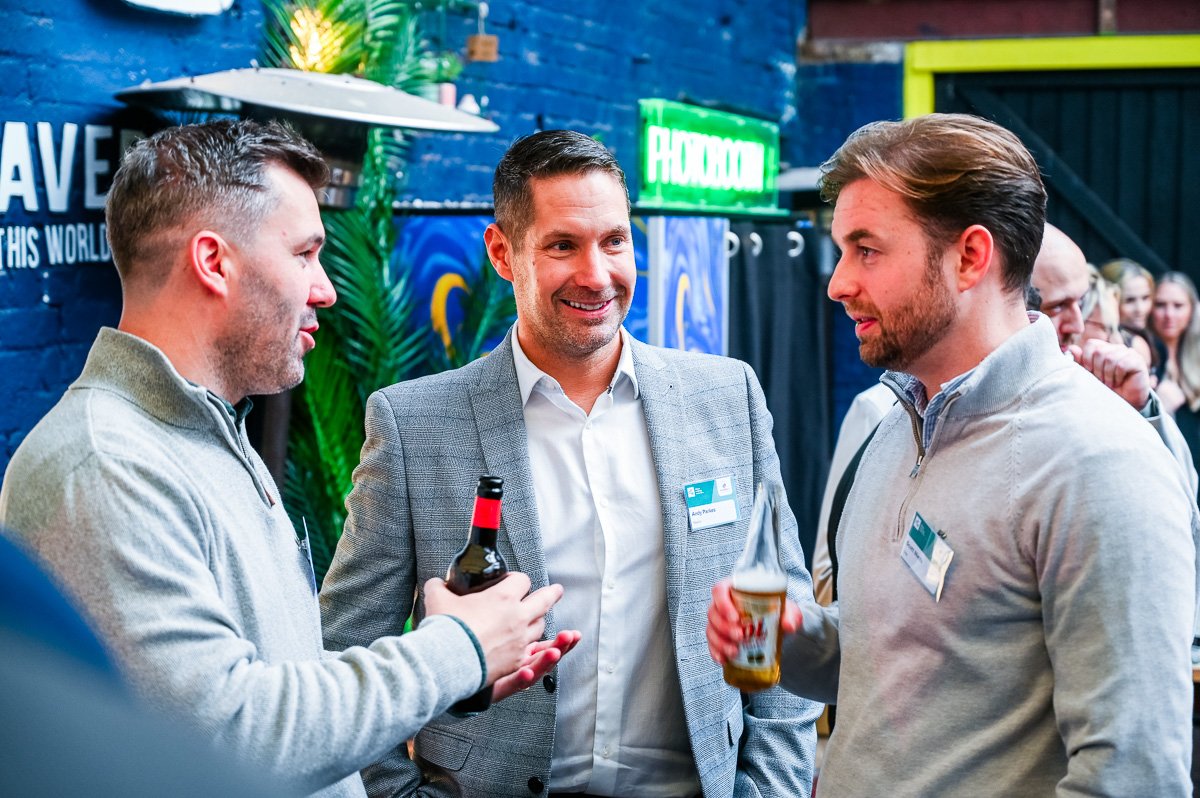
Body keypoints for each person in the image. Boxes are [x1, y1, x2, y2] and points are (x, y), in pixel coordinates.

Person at [0, 120, 573, 798]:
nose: (326, 288)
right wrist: (457, 648)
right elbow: (228, 739)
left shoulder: (206, 430)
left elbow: (280, 682)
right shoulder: (101, 465)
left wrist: (458, 679)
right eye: (305, 253)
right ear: (214, 262)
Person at [708, 113, 1199, 796]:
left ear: (970, 256)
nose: (837, 282)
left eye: (867, 249)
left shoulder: (1100, 462)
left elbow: (1131, 774)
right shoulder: (897, 427)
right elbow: (897, 661)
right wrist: (793, 643)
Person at [320, 130, 821, 798]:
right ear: (503, 252)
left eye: (614, 241)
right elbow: (347, 645)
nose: (597, 274)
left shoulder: (726, 397)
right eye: (563, 245)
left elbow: (783, 616)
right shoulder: (415, 425)